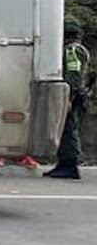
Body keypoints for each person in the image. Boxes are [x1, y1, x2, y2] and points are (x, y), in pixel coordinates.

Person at [45, 17, 90, 180]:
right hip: (75, 94)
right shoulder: (79, 49)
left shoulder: (71, 50)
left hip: (71, 94)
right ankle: (64, 163)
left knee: (67, 130)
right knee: (66, 129)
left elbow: (73, 74)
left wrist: (69, 98)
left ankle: (69, 165)